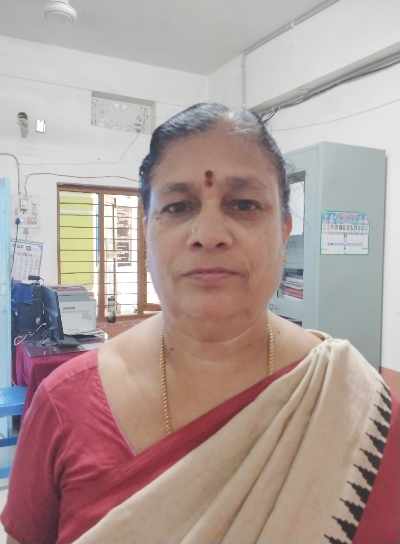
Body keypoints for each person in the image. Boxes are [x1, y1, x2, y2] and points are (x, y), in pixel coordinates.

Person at [2, 103, 399, 544]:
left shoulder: (358, 412)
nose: (209, 234)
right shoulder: (63, 406)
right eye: (178, 207)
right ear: (146, 230)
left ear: (284, 230)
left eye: (244, 204)